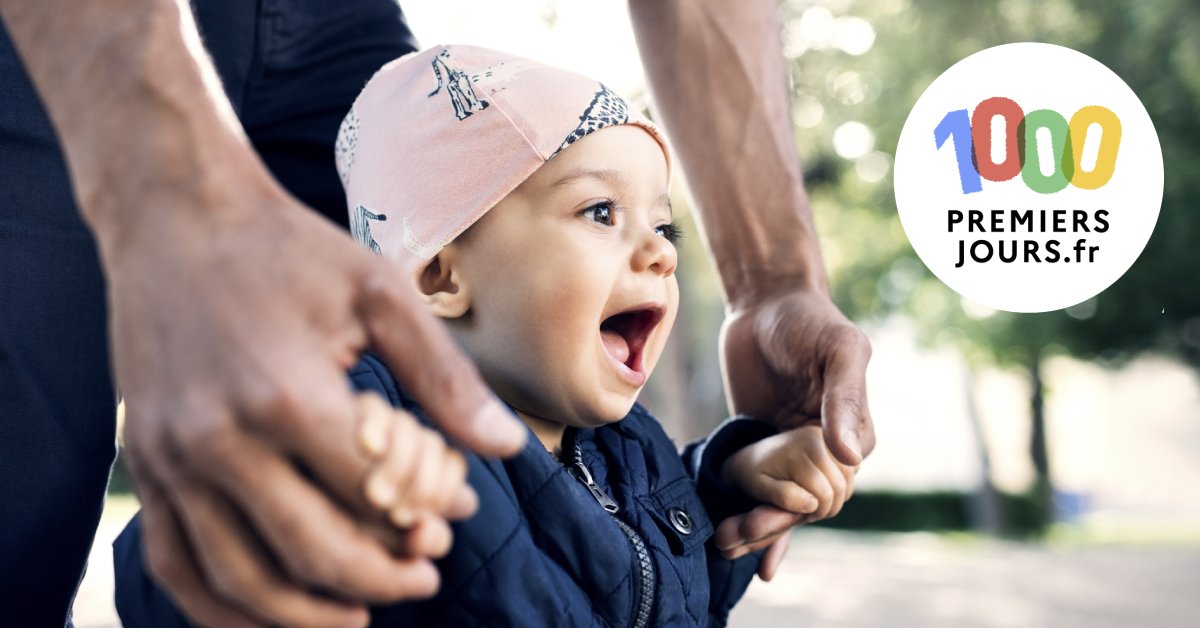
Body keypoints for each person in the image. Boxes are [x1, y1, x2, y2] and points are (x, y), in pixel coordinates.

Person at [0, 0, 874, 626]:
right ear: (441, 272)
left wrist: (734, 478)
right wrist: (299, 524)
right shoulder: (392, 443)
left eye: (662, 224)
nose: (660, 253)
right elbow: (176, 561)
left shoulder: (626, 449)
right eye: (600, 213)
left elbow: (659, 555)